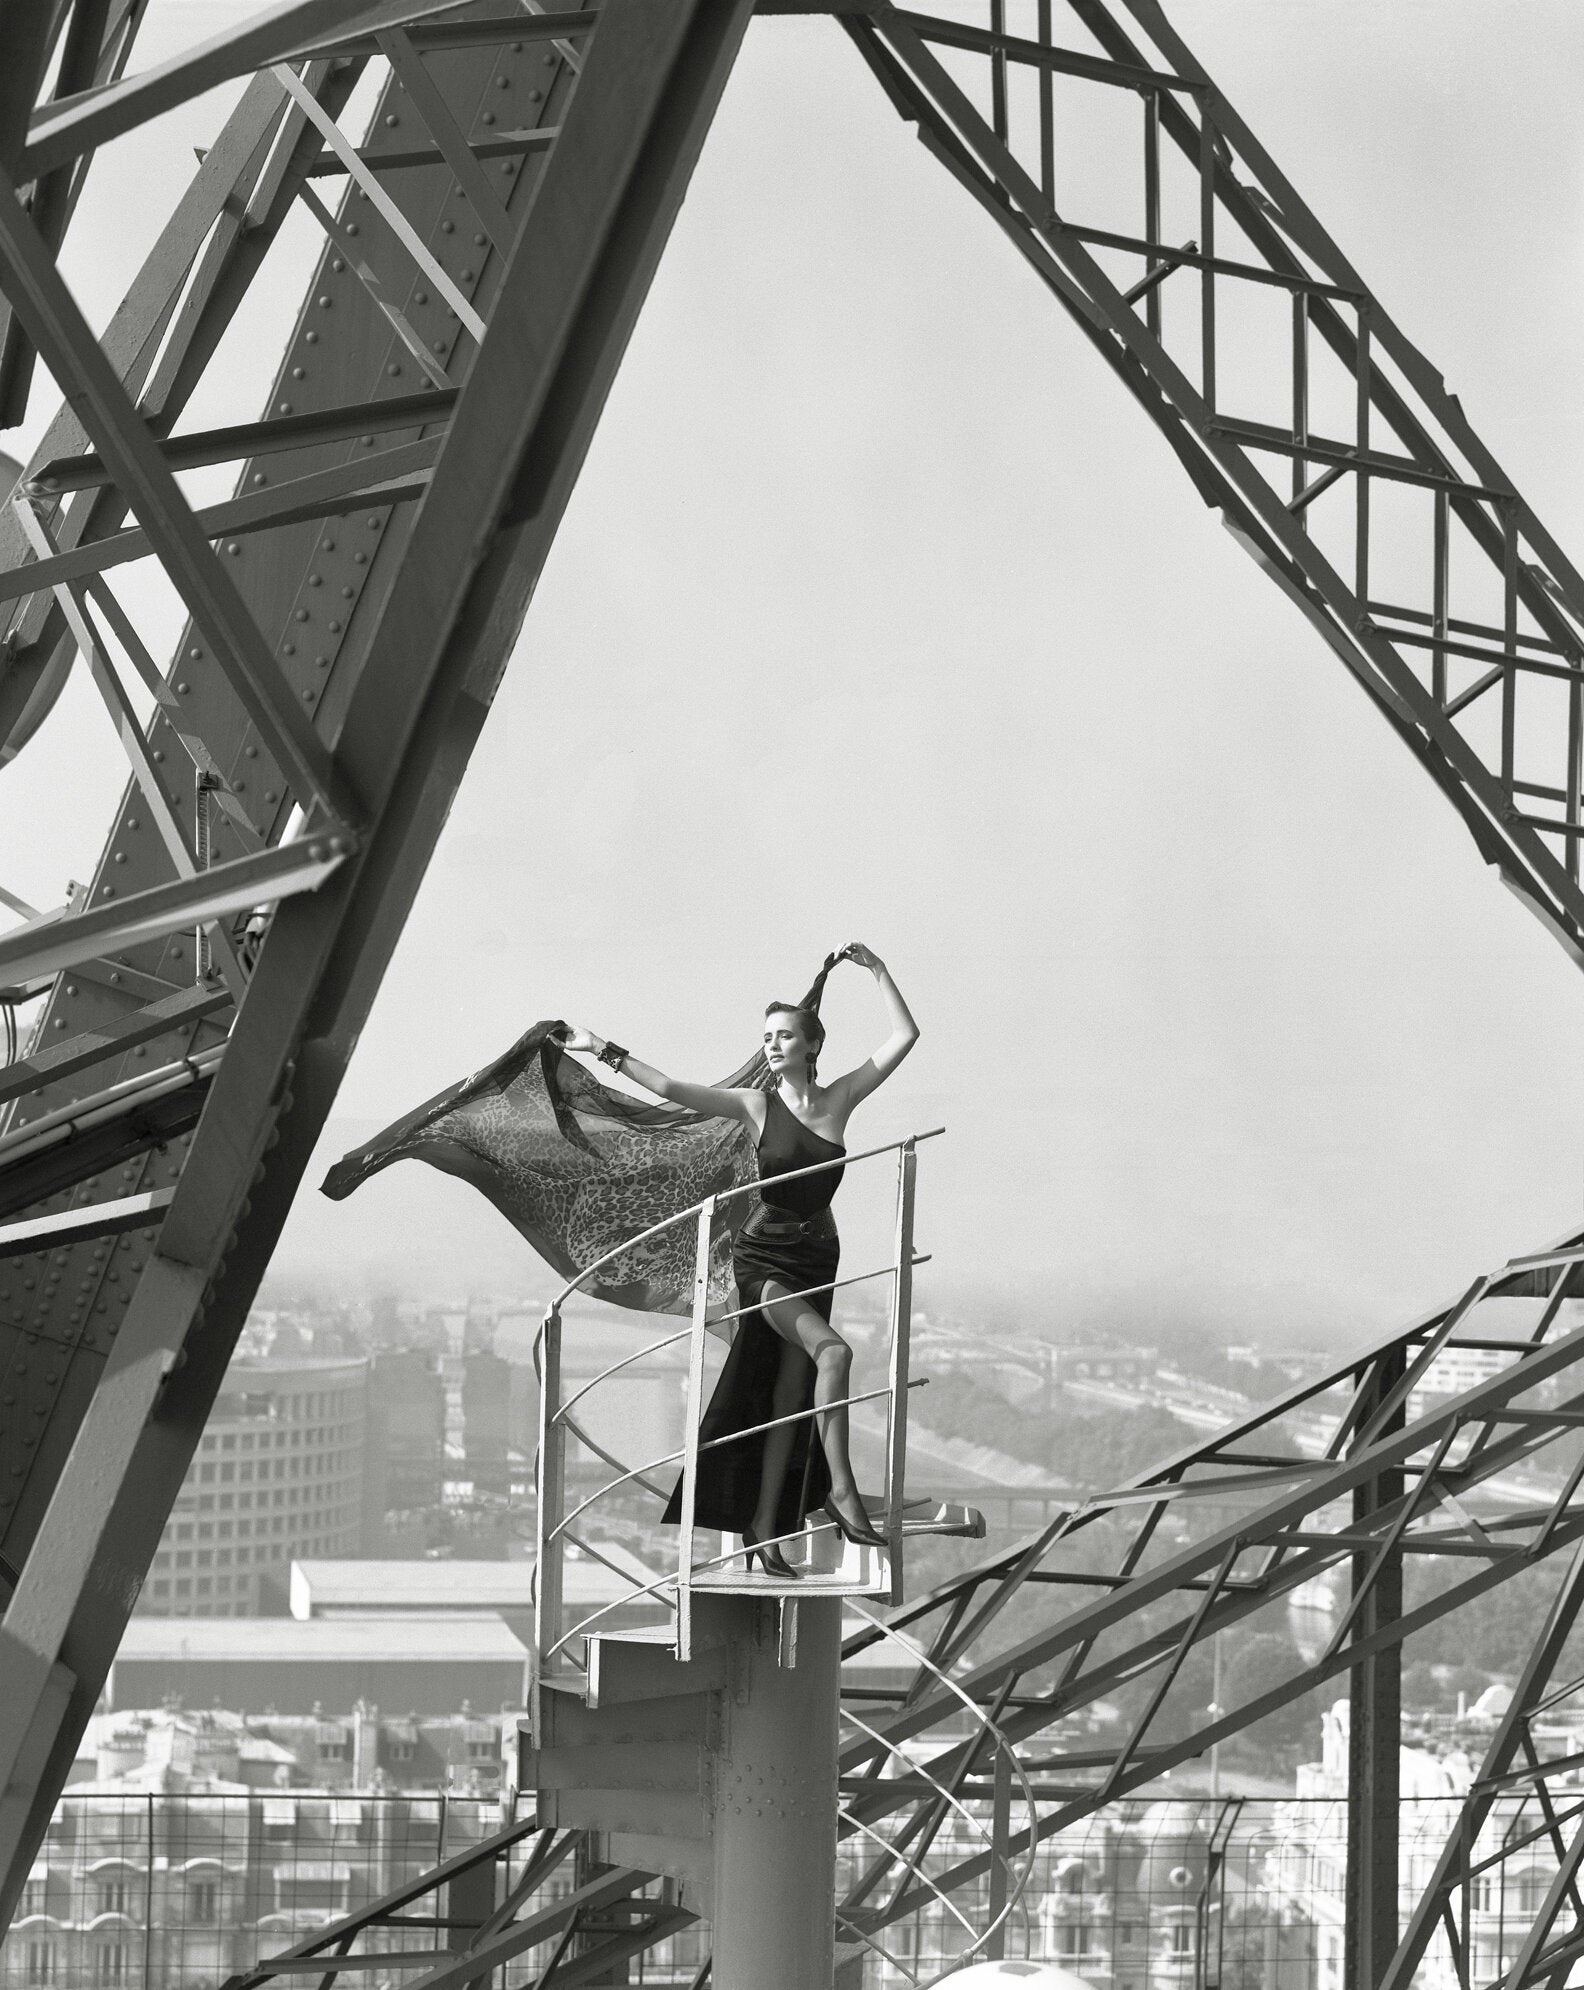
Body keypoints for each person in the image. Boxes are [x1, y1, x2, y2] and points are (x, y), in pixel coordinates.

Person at [555, 943, 919, 1577]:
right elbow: (671, 1089)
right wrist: (601, 1048)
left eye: (784, 1037)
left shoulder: (839, 1102)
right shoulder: (758, 1106)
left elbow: (905, 1034)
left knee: (789, 1393)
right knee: (833, 1353)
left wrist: (879, 972)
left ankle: (765, 1530)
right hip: (762, 1260)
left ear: (811, 1046)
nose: (773, 1046)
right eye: (768, 1038)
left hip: (818, 1257)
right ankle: (839, 1489)